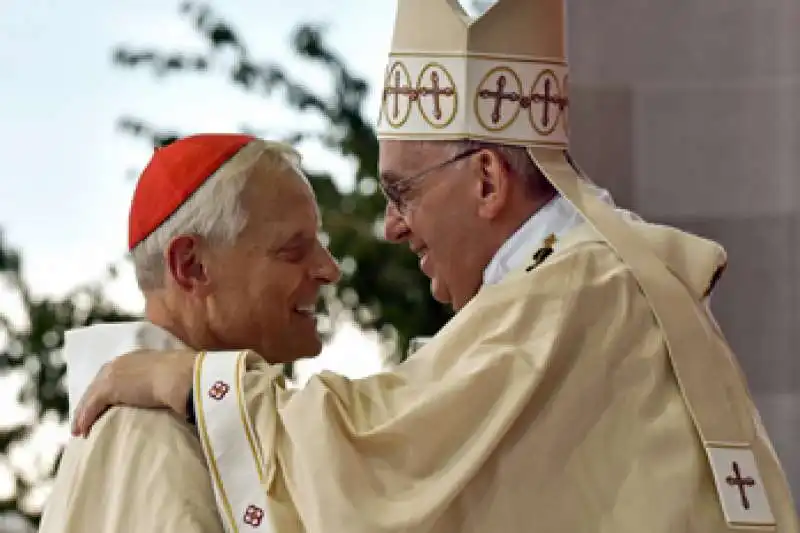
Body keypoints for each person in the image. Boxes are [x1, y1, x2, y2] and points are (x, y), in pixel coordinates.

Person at [72, 0, 800, 532]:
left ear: (486, 179)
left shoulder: (575, 292)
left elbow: (374, 457)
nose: (389, 226)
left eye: (402, 191)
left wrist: (192, 379)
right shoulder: (595, 280)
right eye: (294, 248)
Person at [39, 134, 340, 532]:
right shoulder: (151, 434)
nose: (329, 269)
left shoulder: (206, 418)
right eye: (293, 250)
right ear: (192, 265)